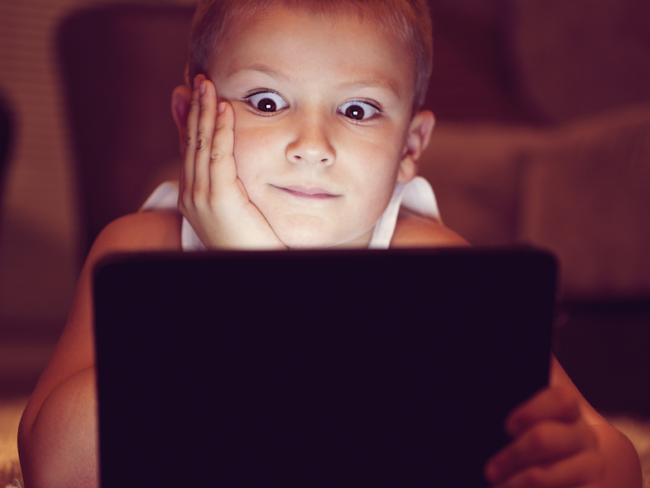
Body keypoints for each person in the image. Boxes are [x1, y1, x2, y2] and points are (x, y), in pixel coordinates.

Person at [18, 1, 643, 487]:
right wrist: (245, 281)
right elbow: (58, 469)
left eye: (358, 110)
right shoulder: (141, 251)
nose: (311, 143)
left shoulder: (433, 271)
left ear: (410, 149)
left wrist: (585, 464)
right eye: (267, 101)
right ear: (190, 120)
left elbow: (614, 459)